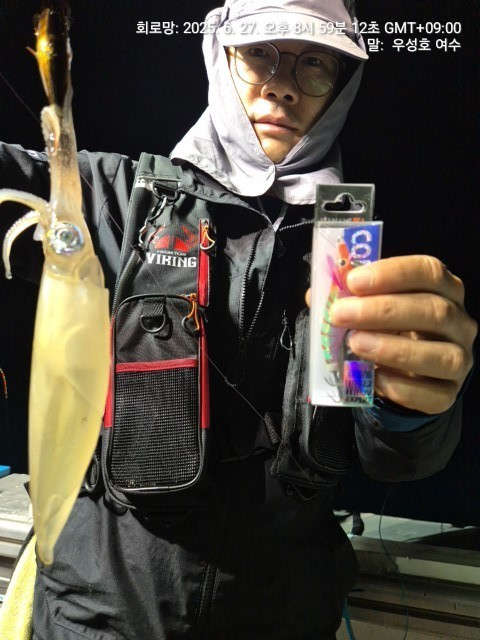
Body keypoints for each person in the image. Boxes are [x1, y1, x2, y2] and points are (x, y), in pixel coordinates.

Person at [0, 0, 476, 638]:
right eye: (258, 54)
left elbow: (394, 460)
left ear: (341, 85)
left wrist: (415, 406)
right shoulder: (111, 198)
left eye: (314, 63)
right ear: (220, 58)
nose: (282, 85)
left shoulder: (350, 251)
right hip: (99, 619)